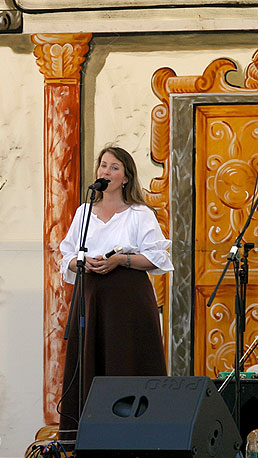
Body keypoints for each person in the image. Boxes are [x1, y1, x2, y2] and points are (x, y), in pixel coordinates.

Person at [58, 146, 173, 442]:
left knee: (126, 361)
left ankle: (134, 438)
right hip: (92, 296)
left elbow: (158, 258)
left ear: (125, 177)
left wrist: (120, 260)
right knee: (90, 362)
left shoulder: (139, 214)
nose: (106, 172)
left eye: (114, 168)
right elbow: (67, 255)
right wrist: (83, 262)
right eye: (103, 166)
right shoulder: (84, 212)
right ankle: (88, 439)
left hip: (128, 300)